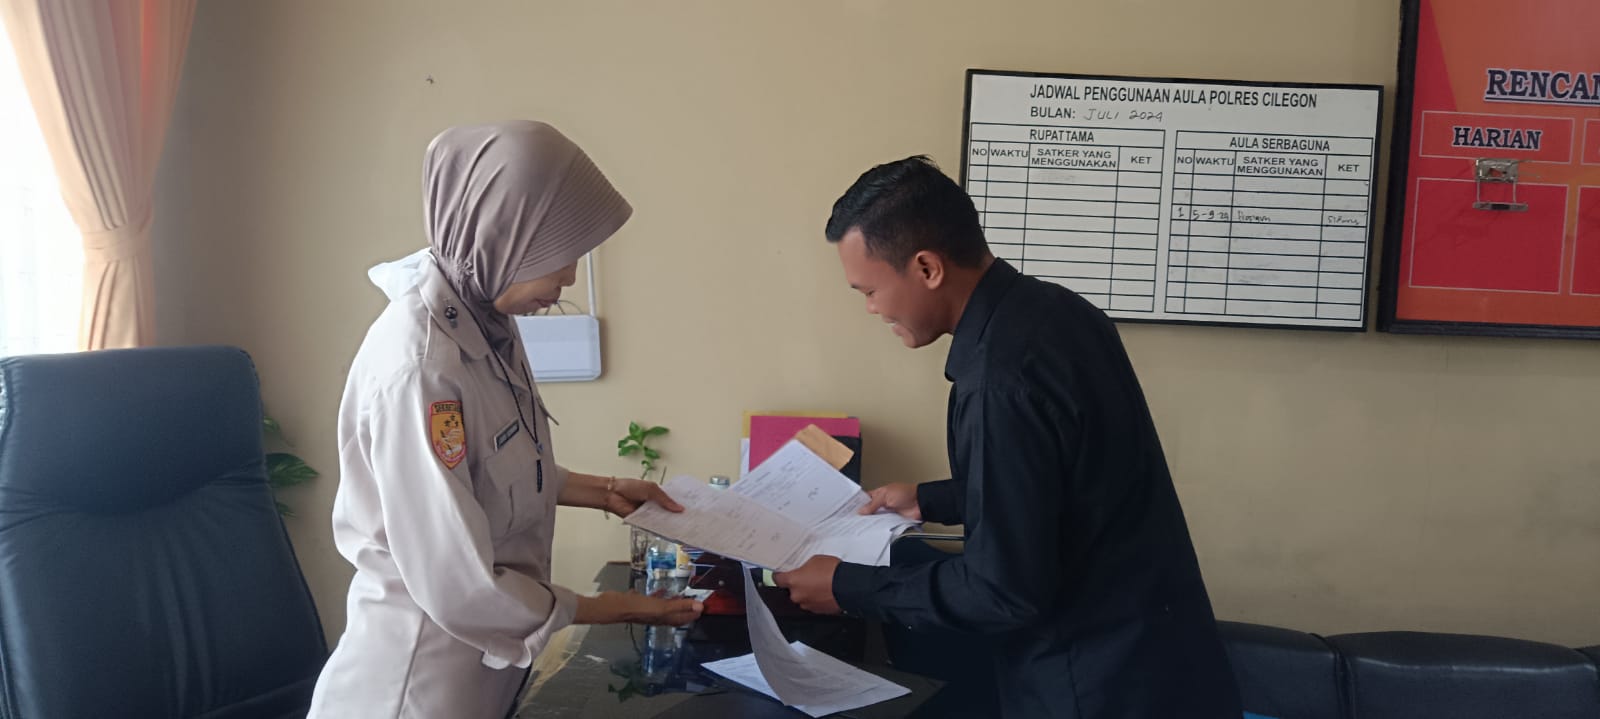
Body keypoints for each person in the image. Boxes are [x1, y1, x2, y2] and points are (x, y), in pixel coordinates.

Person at [773, 155, 1241, 718]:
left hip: (1093, 683)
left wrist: (848, 588)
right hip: (1165, 660)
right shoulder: (1057, 311)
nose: (872, 309)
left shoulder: (1000, 380)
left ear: (927, 268)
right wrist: (932, 499)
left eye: (869, 290)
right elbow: (1066, 480)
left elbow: (1003, 590)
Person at [309, 121, 703, 718]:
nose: (568, 277)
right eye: (558, 254)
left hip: (483, 671)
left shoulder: (485, 316)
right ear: (498, 235)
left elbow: (496, 468)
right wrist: (614, 608)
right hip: (418, 683)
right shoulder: (421, 369)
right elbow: (458, 582)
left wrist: (603, 491)